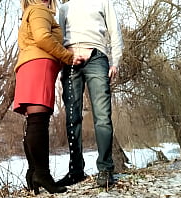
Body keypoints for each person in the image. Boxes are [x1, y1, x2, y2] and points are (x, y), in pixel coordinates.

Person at [13, 0, 82, 194]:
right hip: (38, 65)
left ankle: (33, 172)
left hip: (29, 65)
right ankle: (42, 175)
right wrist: (68, 57)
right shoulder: (39, 10)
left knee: (34, 122)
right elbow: (43, 37)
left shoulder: (31, 11)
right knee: (38, 122)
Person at [56, 0, 123, 187]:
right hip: (70, 63)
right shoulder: (64, 7)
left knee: (102, 116)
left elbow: (115, 31)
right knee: (72, 117)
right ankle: (76, 171)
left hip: (96, 58)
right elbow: (59, 37)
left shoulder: (103, 2)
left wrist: (115, 61)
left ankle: (105, 169)